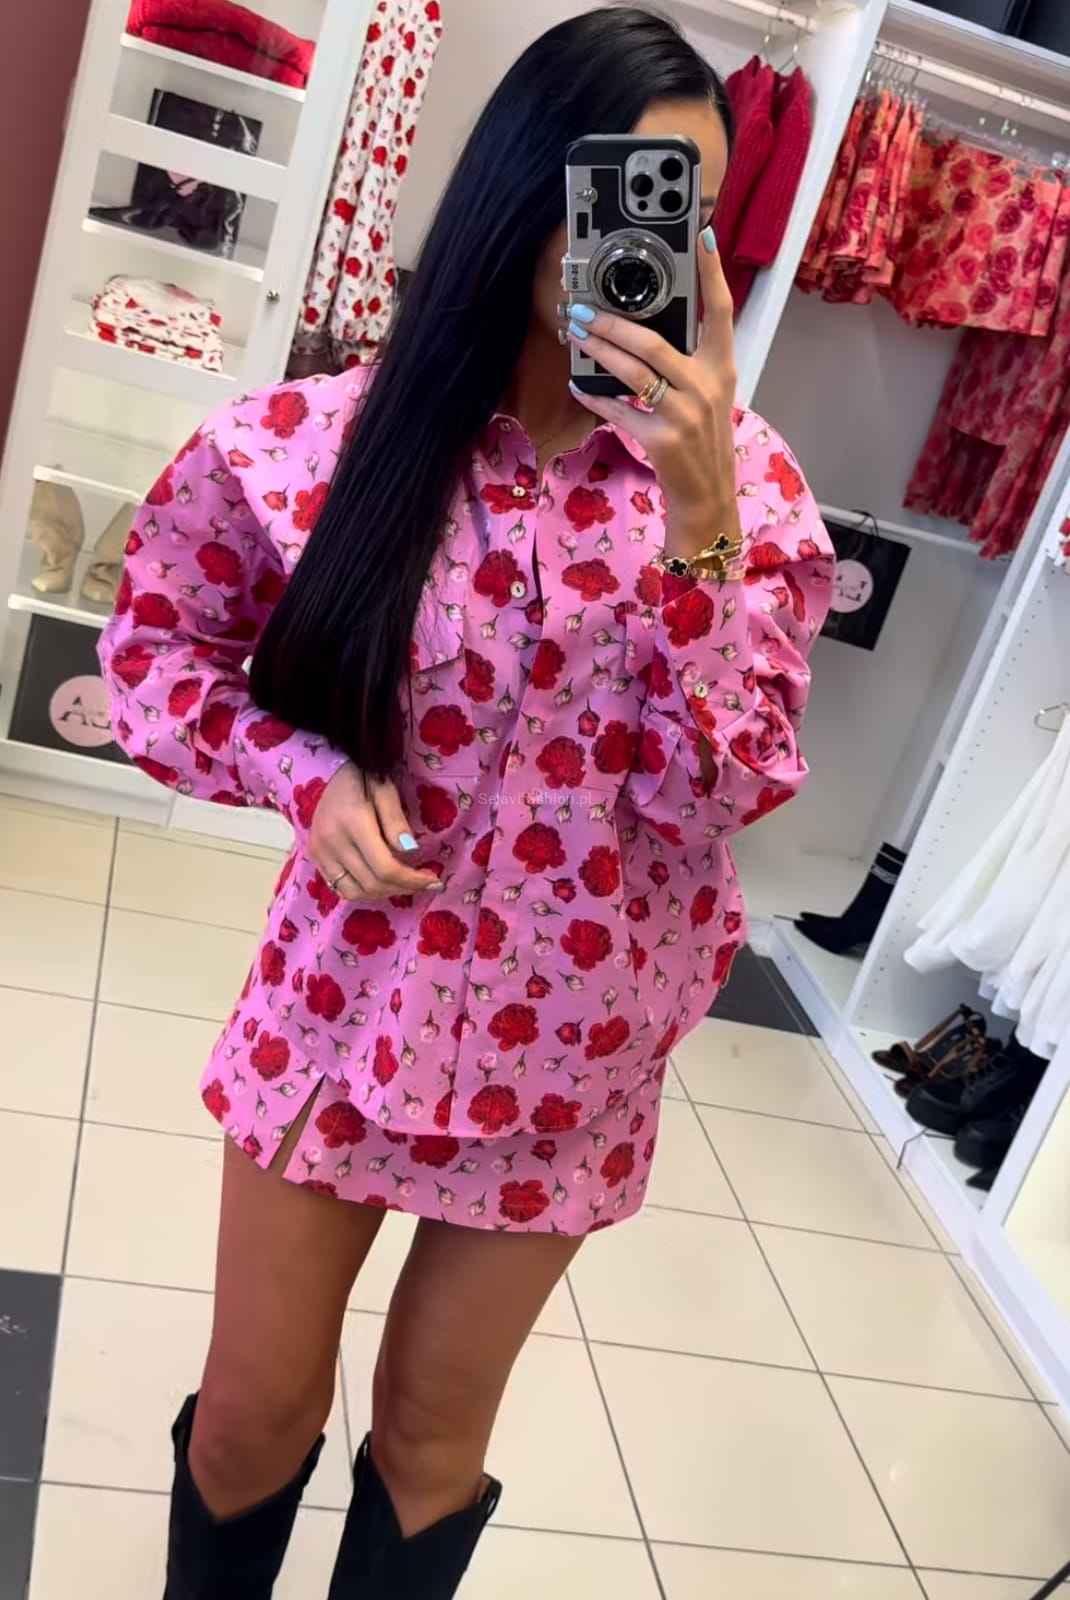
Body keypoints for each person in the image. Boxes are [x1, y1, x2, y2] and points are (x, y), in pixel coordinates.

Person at [98, 8, 833, 1597]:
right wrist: (303, 775)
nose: (642, 243)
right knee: (249, 1419)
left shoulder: (749, 496)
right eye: (616, 189)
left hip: (572, 1045)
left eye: (684, 212)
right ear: (520, 186)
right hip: (342, 1006)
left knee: (434, 1437)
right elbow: (153, 655)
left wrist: (699, 513)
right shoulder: (317, 444)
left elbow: (723, 791)